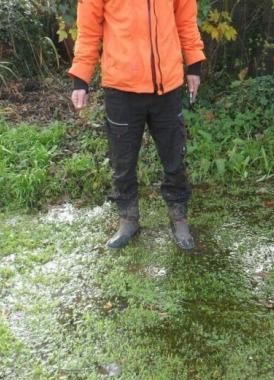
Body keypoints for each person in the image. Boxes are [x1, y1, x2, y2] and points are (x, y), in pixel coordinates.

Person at [69, 0, 206, 251]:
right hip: (121, 88)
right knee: (123, 162)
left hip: (168, 86)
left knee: (175, 158)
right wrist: (81, 79)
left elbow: (185, 20)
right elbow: (89, 31)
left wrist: (194, 64)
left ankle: (178, 216)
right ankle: (128, 218)